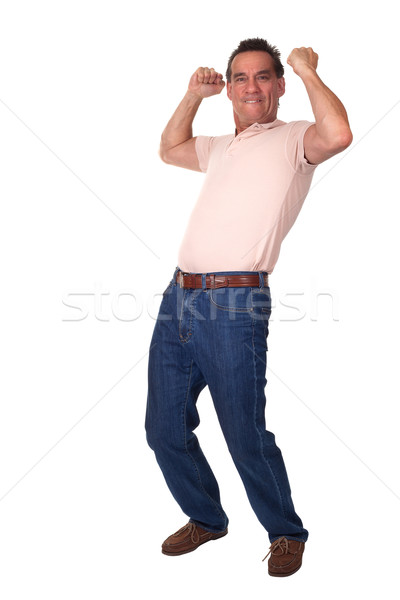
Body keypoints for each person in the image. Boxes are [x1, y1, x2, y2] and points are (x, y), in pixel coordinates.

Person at [145, 38, 352, 577]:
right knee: (163, 427)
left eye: (264, 77)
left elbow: (338, 133)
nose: (252, 86)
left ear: (278, 86)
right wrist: (194, 95)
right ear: (231, 88)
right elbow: (168, 150)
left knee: (243, 431)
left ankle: (285, 532)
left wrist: (306, 68)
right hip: (178, 298)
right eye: (242, 78)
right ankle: (207, 518)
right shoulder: (218, 146)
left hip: (235, 303)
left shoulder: (293, 141)